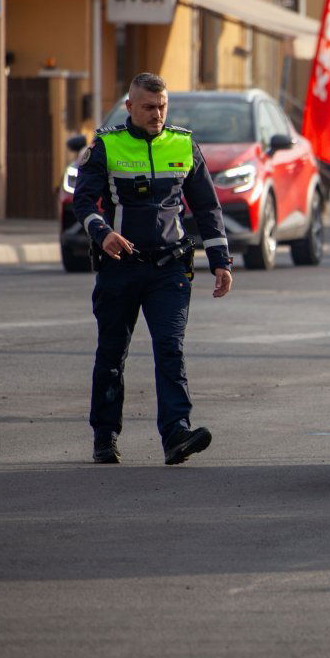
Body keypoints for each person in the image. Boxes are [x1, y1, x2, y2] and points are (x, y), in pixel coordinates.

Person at [72, 73, 234, 465]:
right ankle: (105, 435)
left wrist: (221, 262)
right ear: (130, 107)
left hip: (169, 269)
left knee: (170, 348)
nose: (156, 114)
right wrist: (104, 233)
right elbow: (83, 202)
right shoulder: (107, 146)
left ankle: (177, 433)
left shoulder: (183, 144)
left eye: (162, 107)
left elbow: (207, 208)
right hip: (119, 268)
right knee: (112, 352)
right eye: (148, 107)